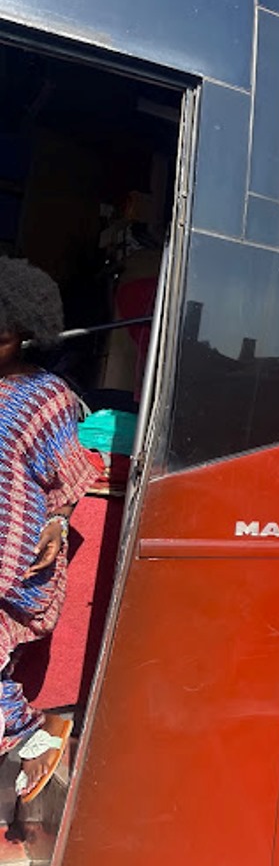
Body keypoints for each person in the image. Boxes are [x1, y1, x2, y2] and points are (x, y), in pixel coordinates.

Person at [0, 258, 99, 803]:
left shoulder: (45, 396)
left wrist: (58, 522)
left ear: (20, 329)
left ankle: (30, 731)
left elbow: (70, 473)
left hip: (16, 548)